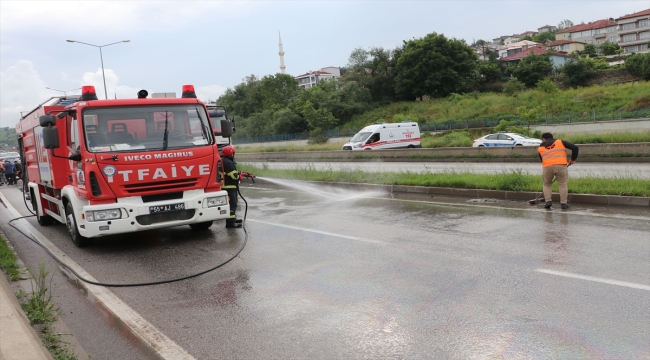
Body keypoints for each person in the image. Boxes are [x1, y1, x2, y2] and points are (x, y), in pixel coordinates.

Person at [537, 132, 579, 210]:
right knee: (562, 184)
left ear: (544, 139)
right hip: (561, 165)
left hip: (547, 166)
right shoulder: (560, 142)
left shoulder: (540, 147)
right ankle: (564, 203)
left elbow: (542, 160)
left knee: (547, 184)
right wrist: (572, 160)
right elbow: (575, 148)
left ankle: (548, 201)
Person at [221, 145, 243, 228]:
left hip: (227, 186)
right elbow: (233, 176)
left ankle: (233, 219)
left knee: (232, 204)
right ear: (231, 153)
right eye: (233, 153)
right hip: (229, 187)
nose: (234, 154)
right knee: (232, 204)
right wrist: (239, 177)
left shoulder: (224, 160)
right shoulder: (229, 163)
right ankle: (230, 223)